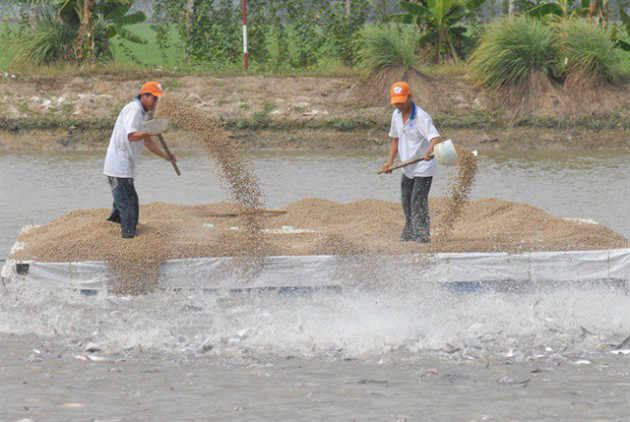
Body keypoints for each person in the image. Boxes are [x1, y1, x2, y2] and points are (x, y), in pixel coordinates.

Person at [103, 81, 176, 238]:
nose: (156, 103)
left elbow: (148, 141)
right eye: (154, 98)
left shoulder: (144, 114)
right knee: (130, 205)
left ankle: (112, 232)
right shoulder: (134, 109)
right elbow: (132, 135)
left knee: (121, 204)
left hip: (125, 168)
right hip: (118, 167)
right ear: (144, 95)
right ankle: (128, 241)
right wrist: (151, 131)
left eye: (158, 99)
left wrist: (166, 156)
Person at [381, 81, 441, 243]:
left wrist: (431, 150)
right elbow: (395, 138)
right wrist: (390, 161)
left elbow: (434, 137)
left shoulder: (421, 117)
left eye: (401, 101)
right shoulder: (396, 115)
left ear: (410, 97)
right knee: (406, 202)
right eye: (396, 102)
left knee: (418, 202)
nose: (398, 105)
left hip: (424, 165)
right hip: (407, 165)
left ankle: (422, 237)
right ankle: (409, 234)